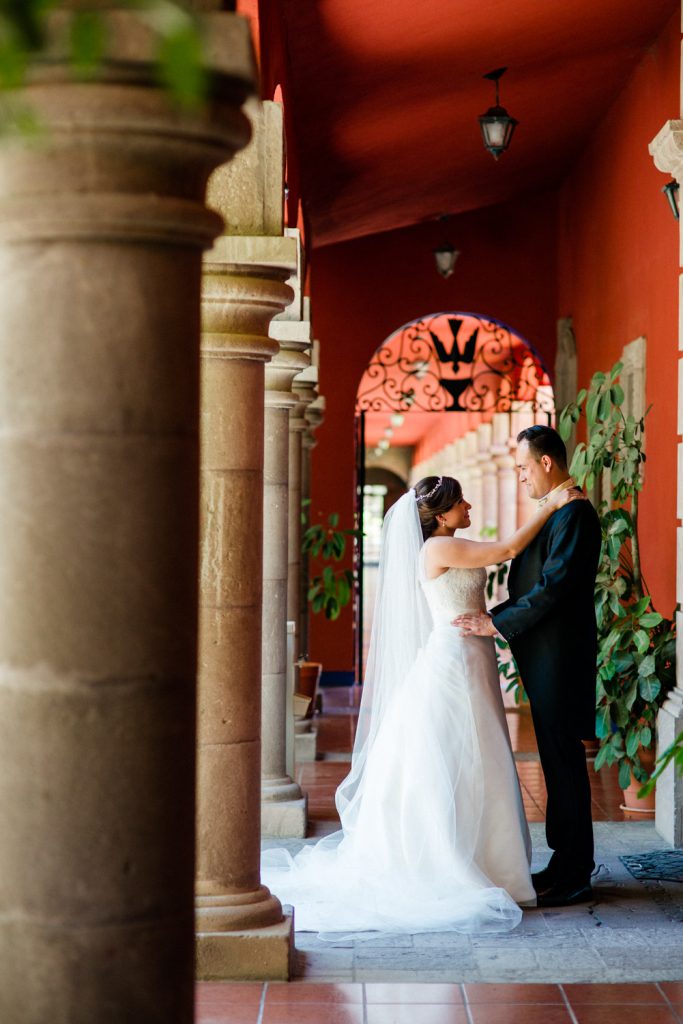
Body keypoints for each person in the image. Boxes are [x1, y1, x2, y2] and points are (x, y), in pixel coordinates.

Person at [261, 474, 583, 937]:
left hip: (472, 654)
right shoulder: (436, 550)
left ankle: (489, 861)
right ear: (442, 514)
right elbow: (508, 550)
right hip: (453, 659)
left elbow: (502, 555)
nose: (469, 505)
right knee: (458, 755)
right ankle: (452, 863)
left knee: (481, 757)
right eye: (461, 502)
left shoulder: (452, 542)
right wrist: (552, 505)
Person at [455, 425, 601, 908]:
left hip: (560, 658)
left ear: (546, 462)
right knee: (558, 764)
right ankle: (564, 864)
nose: (518, 476)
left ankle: (575, 870)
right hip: (546, 657)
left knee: (565, 764)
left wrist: (495, 622)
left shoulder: (576, 513)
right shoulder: (559, 509)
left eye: (522, 466)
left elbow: (555, 586)